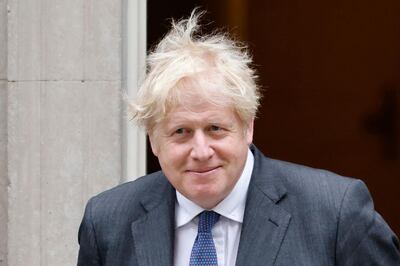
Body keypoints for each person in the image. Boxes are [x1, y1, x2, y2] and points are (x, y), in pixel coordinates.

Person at [77, 10, 400, 266]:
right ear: (153, 141)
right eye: (181, 132)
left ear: (248, 127)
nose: (201, 151)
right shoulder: (107, 221)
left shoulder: (336, 212)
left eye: (216, 128)